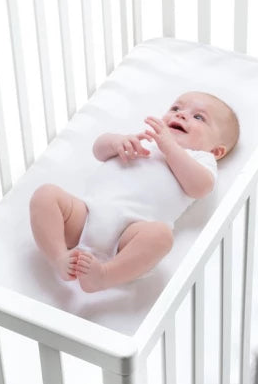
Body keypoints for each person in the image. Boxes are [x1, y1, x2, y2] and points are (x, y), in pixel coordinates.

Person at [29, 91, 240, 292]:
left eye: (198, 117)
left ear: (216, 151)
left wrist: (170, 147)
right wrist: (116, 142)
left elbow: (201, 187)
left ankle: (104, 275)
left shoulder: (201, 158)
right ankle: (59, 257)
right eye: (176, 108)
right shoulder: (145, 138)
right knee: (46, 195)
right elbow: (98, 151)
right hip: (86, 215)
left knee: (162, 236)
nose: (181, 115)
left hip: (131, 234)